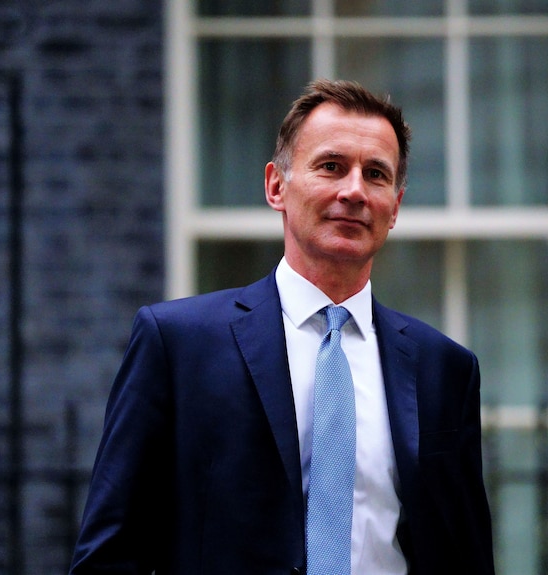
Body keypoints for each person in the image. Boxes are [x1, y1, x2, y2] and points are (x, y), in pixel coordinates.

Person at [70, 79, 495, 575]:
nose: (354, 190)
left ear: (394, 206)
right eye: (331, 166)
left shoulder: (444, 368)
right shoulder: (177, 344)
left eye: (375, 174)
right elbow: (109, 555)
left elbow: (465, 556)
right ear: (277, 187)